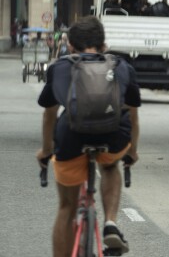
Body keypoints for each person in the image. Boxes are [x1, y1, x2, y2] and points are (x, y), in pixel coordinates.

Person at [36, 16, 140, 256]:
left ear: (70, 46)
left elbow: (48, 115)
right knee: (111, 165)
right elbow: (132, 116)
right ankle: (110, 222)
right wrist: (132, 151)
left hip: (71, 138)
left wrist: (45, 150)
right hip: (113, 138)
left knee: (66, 207)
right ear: (104, 45)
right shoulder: (122, 67)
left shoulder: (59, 67)